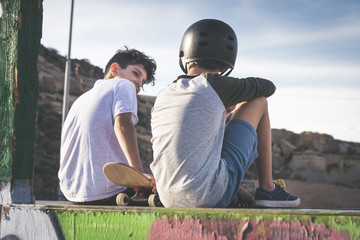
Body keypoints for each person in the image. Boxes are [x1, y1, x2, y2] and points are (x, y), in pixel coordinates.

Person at [150, 19, 300, 208]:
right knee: (258, 101)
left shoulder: (164, 95)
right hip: (208, 197)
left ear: (185, 56)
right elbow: (268, 87)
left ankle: (233, 194)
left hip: (168, 198)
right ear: (224, 66)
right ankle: (268, 190)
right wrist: (235, 97)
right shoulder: (213, 83)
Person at [58, 47, 157, 205]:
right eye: (136, 73)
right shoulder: (123, 85)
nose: (139, 83)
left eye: (143, 82)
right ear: (115, 69)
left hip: (72, 193)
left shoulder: (80, 100)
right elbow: (123, 125)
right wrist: (138, 175)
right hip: (106, 191)